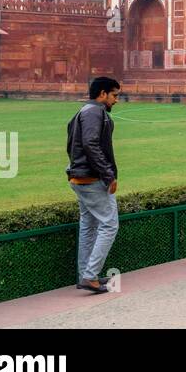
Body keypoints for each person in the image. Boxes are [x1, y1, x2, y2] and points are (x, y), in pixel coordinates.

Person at [66, 76, 121, 294]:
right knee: (109, 225)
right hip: (91, 178)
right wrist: (108, 175)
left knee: (88, 225)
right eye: (114, 95)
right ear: (102, 94)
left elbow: (72, 142)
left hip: (80, 177)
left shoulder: (83, 111)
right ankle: (90, 276)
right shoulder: (94, 112)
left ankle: (86, 274)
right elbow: (90, 144)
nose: (116, 100)